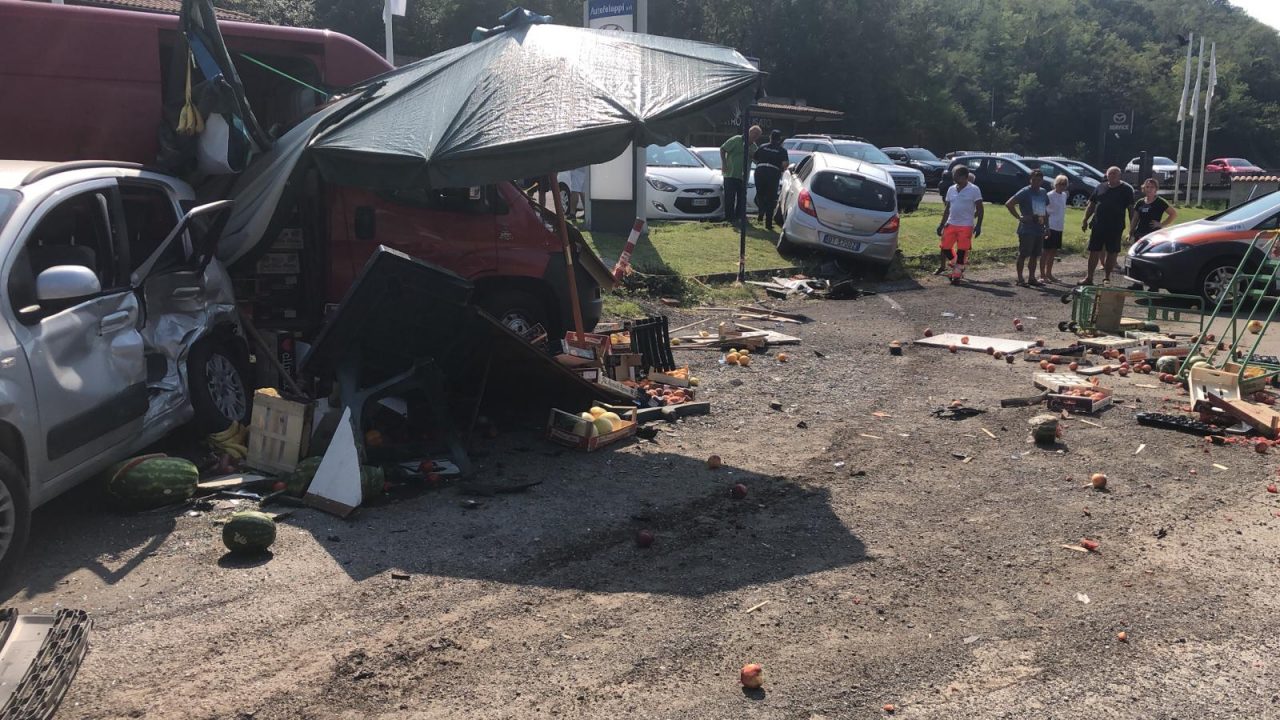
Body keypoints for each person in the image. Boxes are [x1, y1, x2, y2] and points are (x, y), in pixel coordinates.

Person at [1080, 166, 1134, 286]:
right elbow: (1092, 204)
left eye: (1115, 174)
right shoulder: (1100, 187)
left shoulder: (1126, 189)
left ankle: (1107, 278)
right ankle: (1089, 278)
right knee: (1094, 251)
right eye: (1110, 173)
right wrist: (1085, 219)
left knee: (1112, 252)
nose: (1112, 176)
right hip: (1098, 224)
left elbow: (1131, 209)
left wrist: (1132, 227)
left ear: (1119, 176)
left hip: (1116, 226)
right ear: (1107, 175)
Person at [936, 165, 984, 284]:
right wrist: (941, 224)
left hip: (966, 225)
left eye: (956, 175)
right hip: (951, 223)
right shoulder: (951, 189)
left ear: (964, 177)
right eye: (953, 175)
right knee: (945, 247)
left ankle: (956, 275)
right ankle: (958, 264)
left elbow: (980, 208)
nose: (954, 177)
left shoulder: (974, 189)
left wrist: (978, 225)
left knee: (962, 250)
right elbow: (947, 208)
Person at [1005, 169, 1048, 286]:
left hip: (1039, 228)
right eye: (1034, 180)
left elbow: (1045, 210)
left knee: (1035, 255)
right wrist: (1019, 217)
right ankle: (1020, 279)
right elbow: (1009, 204)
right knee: (1024, 254)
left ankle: (1032, 278)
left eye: (1038, 180)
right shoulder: (1025, 191)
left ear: (1042, 181)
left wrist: (1047, 226)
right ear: (1030, 180)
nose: (1036, 182)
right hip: (1027, 229)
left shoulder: (1043, 192)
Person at [720, 125, 761, 225]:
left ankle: (740, 217)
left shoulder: (754, 147)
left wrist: (753, 156)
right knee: (730, 197)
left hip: (743, 176)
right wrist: (724, 164)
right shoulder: (736, 139)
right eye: (754, 133)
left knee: (742, 198)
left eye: (757, 135)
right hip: (731, 173)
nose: (755, 136)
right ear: (749, 132)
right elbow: (723, 149)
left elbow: (757, 161)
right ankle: (729, 218)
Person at [752, 129, 789, 232]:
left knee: (760, 194)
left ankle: (761, 211)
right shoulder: (782, 150)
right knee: (771, 198)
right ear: (780, 139)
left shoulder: (762, 146)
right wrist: (782, 170)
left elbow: (754, 158)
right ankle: (768, 224)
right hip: (773, 172)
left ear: (770, 137)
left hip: (760, 171)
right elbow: (785, 164)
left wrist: (761, 163)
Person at [1130, 177, 1177, 243]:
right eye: (1147, 187)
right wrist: (1131, 232)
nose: (1149, 189)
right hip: (1140, 235)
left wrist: (1161, 224)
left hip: (1153, 236)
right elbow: (1135, 219)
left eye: (1152, 187)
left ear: (1156, 189)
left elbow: (1173, 214)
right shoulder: (1140, 202)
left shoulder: (1160, 202)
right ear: (1144, 188)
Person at [1041, 174, 1069, 283]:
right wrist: (1045, 226)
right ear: (1055, 184)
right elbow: (1044, 211)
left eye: (1064, 184)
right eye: (1060, 184)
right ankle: (1042, 275)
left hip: (1059, 226)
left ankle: (1049, 273)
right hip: (1050, 225)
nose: (1062, 186)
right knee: (1046, 251)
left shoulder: (1064, 195)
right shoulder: (1049, 195)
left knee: (1053, 251)